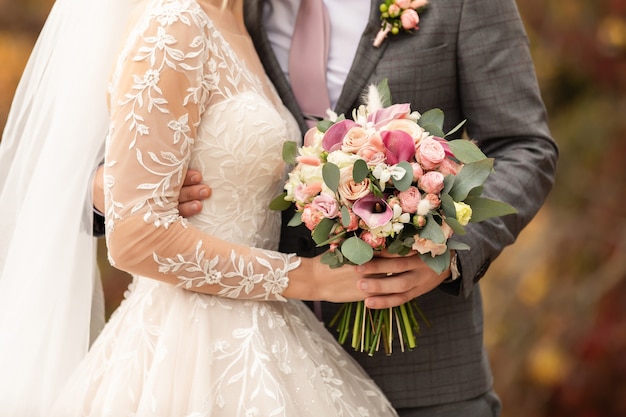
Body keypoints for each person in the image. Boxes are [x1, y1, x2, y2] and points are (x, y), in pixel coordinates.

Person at [120, 0, 557, 415]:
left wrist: (448, 254)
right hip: (251, 370)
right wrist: (112, 196)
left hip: (422, 376)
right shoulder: (228, 11)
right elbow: (136, 139)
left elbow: (525, 147)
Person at [0, 0, 400, 415]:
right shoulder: (173, 23)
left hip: (269, 332)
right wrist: (309, 279)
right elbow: (136, 239)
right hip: (184, 347)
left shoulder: (241, 20)